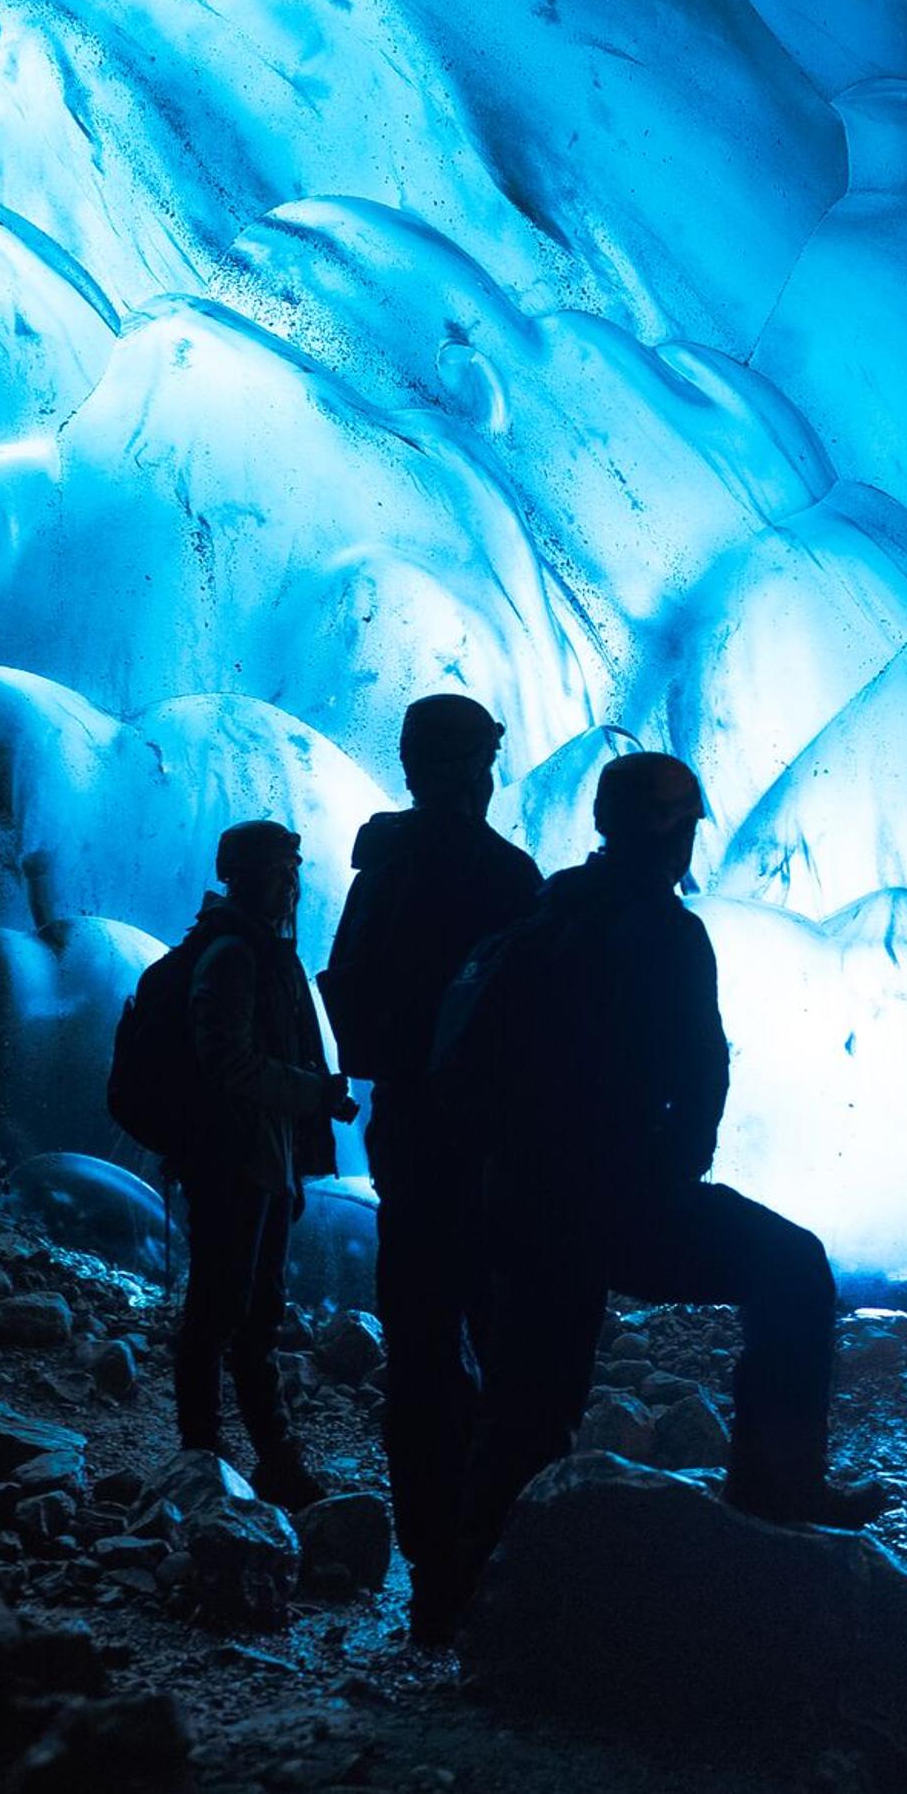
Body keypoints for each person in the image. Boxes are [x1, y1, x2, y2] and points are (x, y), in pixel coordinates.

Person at [437, 751, 888, 1630]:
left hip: (521, 1198)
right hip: (617, 1198)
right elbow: (701, 1070)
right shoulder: (667, 931)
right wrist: (672, 1167)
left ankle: (465, 1593)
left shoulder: (548, 909)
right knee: (792, 1266)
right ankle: (775, 1482)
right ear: (669, 832)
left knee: (530, 1401)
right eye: (684, 828)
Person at [315, 693, 541, 1635]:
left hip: (406, 1132)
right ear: (476, 769)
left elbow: (348, 997)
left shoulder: (383, 871)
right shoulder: (504, 876)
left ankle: (434, 1568)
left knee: (418, 1344)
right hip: (493, 1144)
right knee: (515, 1349)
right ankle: (510, 1548)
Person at [173, 817, 355, 1508]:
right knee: (222, 1311)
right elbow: (229, 1063)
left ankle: (256, 1459)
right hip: (235, 1164)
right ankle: (209, 1459)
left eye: (293, 868)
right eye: (282, 869)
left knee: (251, 1312)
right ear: (247, 875)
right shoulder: (236, 956)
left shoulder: (257, 952)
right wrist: (313, 1093)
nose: (292, 883)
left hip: (259, 1161)